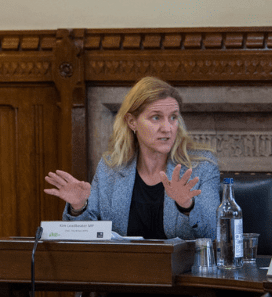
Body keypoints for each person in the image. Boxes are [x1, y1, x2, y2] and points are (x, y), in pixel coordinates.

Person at [44, 76, 220, 240]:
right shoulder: (110, 168)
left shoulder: (202, 167)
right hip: (124, 270)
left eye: (173, 117)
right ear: (132, 122)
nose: (167, 128)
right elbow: (88, 239)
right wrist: (78, 207)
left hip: (182, 271)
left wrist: (186, 205)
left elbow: (214, 234)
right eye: (156, 117)